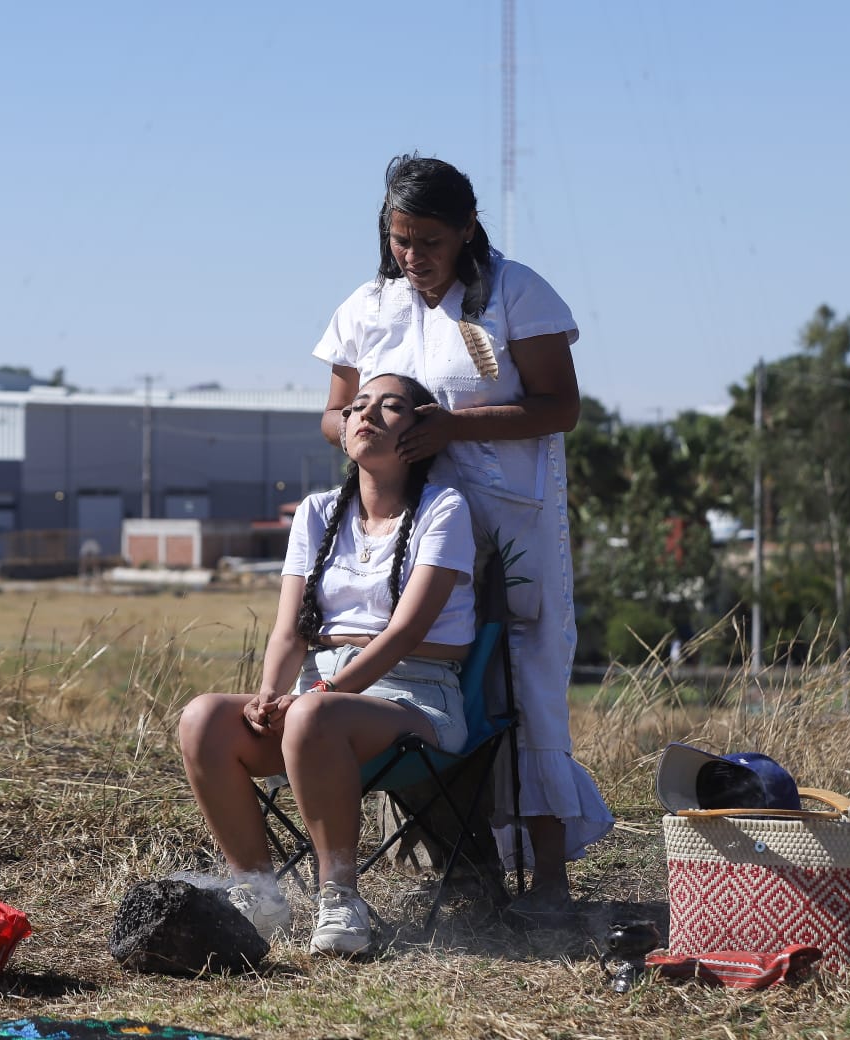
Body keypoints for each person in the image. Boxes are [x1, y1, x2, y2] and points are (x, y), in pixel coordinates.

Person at [312, 154, 614, 916]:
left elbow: (559, 405)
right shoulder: (368, 306)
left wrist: (451, 426)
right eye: (399, 239)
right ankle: (461, 865)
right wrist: (365, 430)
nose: (413, 257)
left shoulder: (518, 292)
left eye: (430, 241)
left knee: (522, 681)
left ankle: (548, 880)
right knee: (423, 672)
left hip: (507, 523)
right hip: (405, 524)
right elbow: (331, 411)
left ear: (468, 228)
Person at [178, 373, 477, 957]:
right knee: (203, 718)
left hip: (415, 696)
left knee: (313, 715)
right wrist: (270, 695)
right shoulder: (316, 513)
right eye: (358, 405)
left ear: (421, 435)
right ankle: (257, 893)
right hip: (317, 699)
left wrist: (320, 693)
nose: (366, 414)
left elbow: (407, 630)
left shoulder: (445, 508)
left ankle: (340, 899)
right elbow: (291, 630)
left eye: (390, 408)